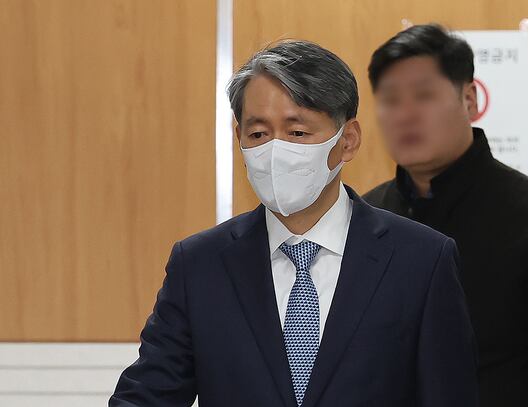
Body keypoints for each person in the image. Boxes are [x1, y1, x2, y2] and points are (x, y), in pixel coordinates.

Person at [110, 40, 478, 407]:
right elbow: (145, 397)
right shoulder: (200, 265)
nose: (275, 151)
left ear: (348, 141)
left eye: (297, 132)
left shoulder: (421, 260)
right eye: (258, 134)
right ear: (239, 139)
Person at [363, 24, 528, 407]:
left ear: (470, 99)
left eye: (424, 95)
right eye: (390, 99)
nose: (405, 114)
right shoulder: (367, 219)